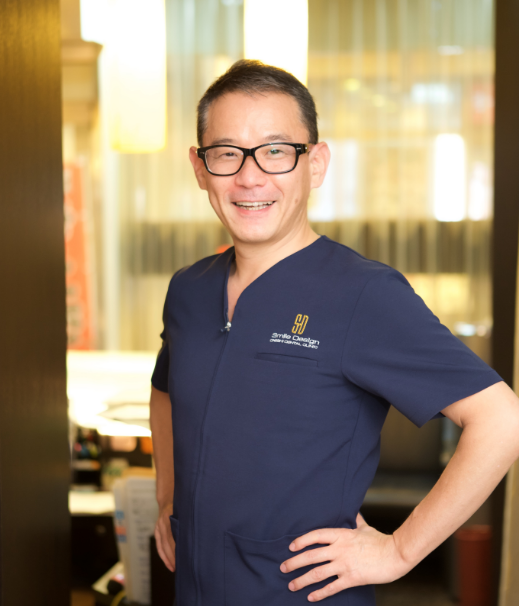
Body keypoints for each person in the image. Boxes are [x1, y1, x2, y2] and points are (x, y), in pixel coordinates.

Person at [149, 59, 519, 606]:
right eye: (226, 153)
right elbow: (165, 391)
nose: (249, 177)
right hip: (195, 588)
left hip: (303, 593)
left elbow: (501, 419)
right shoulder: (188, 289)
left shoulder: (364, 294)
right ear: (200, 167)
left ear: (316, 163)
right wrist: (168, 498)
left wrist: (398, 552)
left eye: (276, 151)